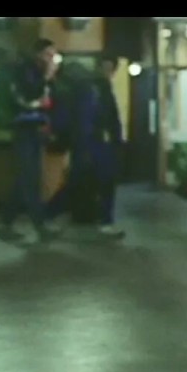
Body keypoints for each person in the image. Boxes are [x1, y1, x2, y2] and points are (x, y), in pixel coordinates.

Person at [45, 54, 126, 239]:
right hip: (92, 142)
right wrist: (116, 139)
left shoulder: (85, 87)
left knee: (87, 181)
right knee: (92, 181)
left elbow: (111, 116)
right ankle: (104, 221)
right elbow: (110, 116)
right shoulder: (94, 87)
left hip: (89, 142)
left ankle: (50, 214)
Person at [0, 38, 62, 243]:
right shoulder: (25, 71)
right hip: (23, 129)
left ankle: (5, 223)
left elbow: (49, 100)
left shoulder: (39, 72)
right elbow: (29, 96)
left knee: (25, 178)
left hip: (35, 129)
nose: (52, 59)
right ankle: (40, 225)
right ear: (38, 54)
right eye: (49, 54)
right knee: (31, 178)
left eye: (54, 55)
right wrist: (47, 77)